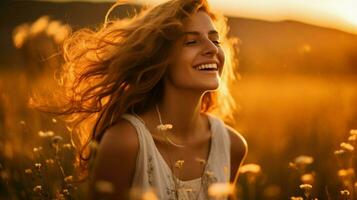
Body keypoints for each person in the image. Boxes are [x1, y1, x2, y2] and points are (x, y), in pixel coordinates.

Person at [33, 0, 247, 199]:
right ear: (160, 56)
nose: (211, 49)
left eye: (215, 39)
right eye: (191, 41)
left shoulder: (232, 146)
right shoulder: (125, 142)